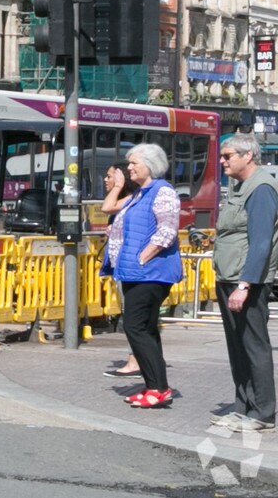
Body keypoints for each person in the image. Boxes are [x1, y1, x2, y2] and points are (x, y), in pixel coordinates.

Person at [212, 133, 278, 434]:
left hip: (246, 281)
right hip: (230, 276)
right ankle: (243, 408)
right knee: (237, 347)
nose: (223, 161)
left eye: (228, 156)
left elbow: (261, 242)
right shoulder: (239, 187)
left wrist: (245, 284)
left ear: (248, 155)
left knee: (253, 346)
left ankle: (263, 412)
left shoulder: (261, 188)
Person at [113, 142, 183, 409]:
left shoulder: (162, 191)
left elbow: (167, 231)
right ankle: (154, 385)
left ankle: (159, 388)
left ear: (150, 165)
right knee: (147, 329)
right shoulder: (141, 193)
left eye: (134, 163)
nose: (129, 167)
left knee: (135, 326)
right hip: (136, 272)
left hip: (150, 273)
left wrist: (143, 257)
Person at [99, 163, 141, 380]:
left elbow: (106, 207)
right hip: (120, 267)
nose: (106, 180)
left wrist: (118, 186)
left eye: (110, 176)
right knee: (130, 314)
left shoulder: (132, 198)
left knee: (133, 316)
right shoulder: (126, 201)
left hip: (130, 267)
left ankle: (135, 362)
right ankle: (136, 360)